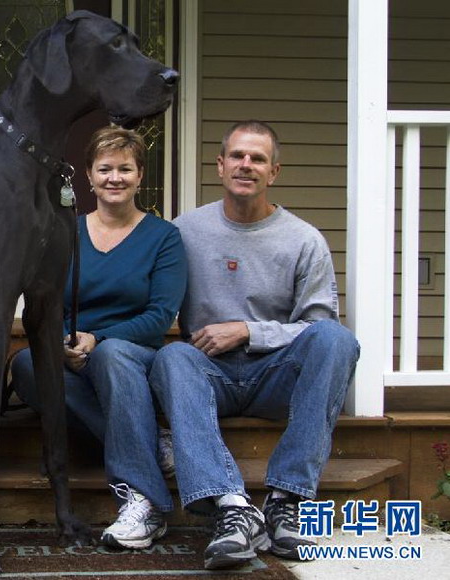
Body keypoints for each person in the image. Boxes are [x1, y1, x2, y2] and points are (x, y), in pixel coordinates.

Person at [149, 120, 360, 570]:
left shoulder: (304, 239)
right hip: (209, 374)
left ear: (274, 172)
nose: (247, 165)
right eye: (238, 156)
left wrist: (248, 330)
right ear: (220, 165)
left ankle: (286, 499)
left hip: (274, 376)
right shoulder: (184, 231)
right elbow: (153, 301)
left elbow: (318, 324)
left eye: (258, 158)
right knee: (172, 355)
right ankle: (231, 507)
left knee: (337, 341)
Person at [11, 126, 187, 550]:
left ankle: (143, 499)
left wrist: (99, 338)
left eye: (125, 169)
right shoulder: (62, 234)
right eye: (104, 168)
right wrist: (61, 345)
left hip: (134, 356)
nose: (115, 177)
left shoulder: (164, 237)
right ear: (88, 177)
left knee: (111, 355)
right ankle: (150, 443)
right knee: (25, 365)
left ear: (140, 175)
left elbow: (160, 316)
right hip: (75, 354)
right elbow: (45, 304)